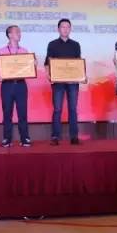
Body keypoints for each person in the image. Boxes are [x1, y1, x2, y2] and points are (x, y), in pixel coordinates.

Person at [45, 18, 82, 146]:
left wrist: (82, 76)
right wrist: (49, 75)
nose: (65, 29)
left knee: (73, 109)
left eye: (67, 27)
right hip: (58, 83)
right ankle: (55, 136)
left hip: (73, 82)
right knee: (57, 109)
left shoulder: (76, 45)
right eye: (63, 27)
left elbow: (78, 64)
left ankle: (74, 136)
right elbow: (48, 63)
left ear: (70, 29)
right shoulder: (52, 44)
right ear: (58, 29)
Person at [0, 25, 33, 147]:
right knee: (7, 113)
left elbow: (28, 70)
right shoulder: (1, 51)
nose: (19, 34)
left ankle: (25, 138)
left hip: (21, 85)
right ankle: (7, 138)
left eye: (20, 32)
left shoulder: (24, 51)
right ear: (9, 35)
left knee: (22, 112)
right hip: (7, 85)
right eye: (17, 32)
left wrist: (32, 66)